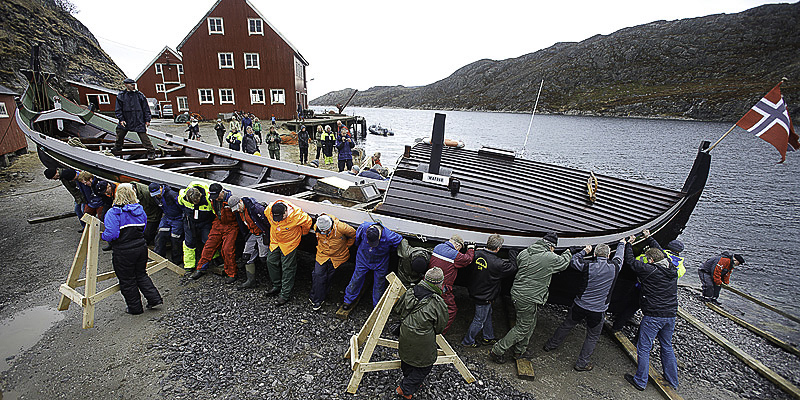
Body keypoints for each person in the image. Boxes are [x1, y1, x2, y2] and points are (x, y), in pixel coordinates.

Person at [542, 240, 625, 371]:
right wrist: (622, 243)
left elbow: (573, 261)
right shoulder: (615, 268)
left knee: (567, 325)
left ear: (595, 255)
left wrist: (584, 251)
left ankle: (550, 345)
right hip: (598, 310)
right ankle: (582, 363)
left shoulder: (588, 266)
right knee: (592, 336)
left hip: (580, 305)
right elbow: (620, 256)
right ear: (608, 256)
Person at [490, 232, 571, 363]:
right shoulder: (550, 257)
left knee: (530, 323)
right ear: (551, 247)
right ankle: (497, 350)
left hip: (518, 293)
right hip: (529, 297)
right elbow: (563, 263)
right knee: (522, 328)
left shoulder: (524, 253)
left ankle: (520, 350)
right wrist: (569, 251)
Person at [623, 231, 679, 391]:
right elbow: (660, 250)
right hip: (670, 315)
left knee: (644, 348)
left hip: (654, 315)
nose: (647, 261)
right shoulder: (671, 267)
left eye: (649, 259)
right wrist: (649, 238)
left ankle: (640, 381)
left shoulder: (650, 270)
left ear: (652, 260)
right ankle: (672, 381)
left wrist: (628, 243)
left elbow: (630, 261)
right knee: (667, 346)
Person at [101, 183, 162, 314]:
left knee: (127, 280)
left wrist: (103, 236)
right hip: (140, 247)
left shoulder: (113, 213)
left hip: (123, 251)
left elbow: (111, 234)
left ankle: (135, 308)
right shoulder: (139, 209)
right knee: (141, 274)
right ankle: (154, 298)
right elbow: (144, 227)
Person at [392, 267, 448, 400]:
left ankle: (410, 382)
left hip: (405, 332)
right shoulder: (437, 302)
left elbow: (398, 309)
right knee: (424, 366)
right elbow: (440, 328)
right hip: (423, 339)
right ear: (439, 283)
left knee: (407, 359)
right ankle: (405, 389)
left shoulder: (411, 291)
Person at [462, 234, 518, 348]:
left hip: (476, 290)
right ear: (498, 248)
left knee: (487, 314)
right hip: (485, 296)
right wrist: (513, 250)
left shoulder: (476, 255)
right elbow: (513, 267)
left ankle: (488, 337)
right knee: (479, 320)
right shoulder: (498, 263)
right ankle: (468, 341)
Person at [343, 222, 404, 309]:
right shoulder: (363, 227)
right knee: (356, 279)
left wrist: (389, 252)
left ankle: (377, 305)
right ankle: (348, 300)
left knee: (379, 283)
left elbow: (398, 243)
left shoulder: (390, 236)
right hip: (363, 258)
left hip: (380, 262)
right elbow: (357, 239)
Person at [265, 200, 312, 305]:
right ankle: (276, 285)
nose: (278, 220)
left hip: (290, 244)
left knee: (288, 268)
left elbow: (307, 223)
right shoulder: (269, 210)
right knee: (270, 261)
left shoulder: (298, 216)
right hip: (275, 241)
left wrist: (302, 234)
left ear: (286, 212)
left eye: (281, 217)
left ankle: (285, 294)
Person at [190, 184, 240, 283]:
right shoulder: (213, 199)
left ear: (222, 192)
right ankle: (201, 268)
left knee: (227, 249)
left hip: (231, 226)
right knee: (209, 245)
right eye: (214, 196)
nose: (216, 198)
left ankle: (231, 273)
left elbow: (238, 217)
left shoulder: (230, 200)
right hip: (219, 223)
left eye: (217, 196)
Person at [429, 234, 475, 334]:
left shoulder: (438, 247)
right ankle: (439, 334)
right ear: (457, 246)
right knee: (451, 310)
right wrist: (471, 249)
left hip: (428, 283)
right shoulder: (454, 254)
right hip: (442, 288)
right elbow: (468, 259)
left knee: (429, 305)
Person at [310, 214, 356, 310]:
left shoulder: (342, 228)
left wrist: (346, 247)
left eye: (325, 231)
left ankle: (320, 296)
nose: (323, 232)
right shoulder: (317, 226)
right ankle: (317, 299)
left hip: (337, 257)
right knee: (318, 275)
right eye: (321, 231)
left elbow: (353, 235)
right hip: (322, 255)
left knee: (328, 277)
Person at [229, 195, 271, 290]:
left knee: (265, 258)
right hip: (252, 234)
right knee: (246, 257)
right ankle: (250, 281)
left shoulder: (256, 208)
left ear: (240, 202)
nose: (238, 210)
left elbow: (268, 223)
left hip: (262, 234)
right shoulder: (239, 212)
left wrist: (268, 236)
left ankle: (273, 281)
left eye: (237, 207)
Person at [177, 181, 215, 272]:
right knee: (189, 242)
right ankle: (189, 265)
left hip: (205, 221)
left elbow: (215, 213)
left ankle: (214, 258)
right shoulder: (183, 197)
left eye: (196, 202)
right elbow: (179, 202)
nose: (194, 204)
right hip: (190, 221)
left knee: (208, 240)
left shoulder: (208, 199)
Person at [114, 78, 156, 160]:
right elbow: (118, 109)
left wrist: (147, 120)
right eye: (131, 84)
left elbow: (146, 109)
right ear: (126, 85)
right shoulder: (121, 96)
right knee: (120, 134)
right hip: (126, 120)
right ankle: (118, 148)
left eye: (134, 84)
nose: (133, 86)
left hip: (138, 120)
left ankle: (151, 152)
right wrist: (121, 119)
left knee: (144, 138)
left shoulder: (140, 95)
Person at [149, 183, 184, 266]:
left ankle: (176, 260)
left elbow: (182, 206)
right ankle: (158, 257)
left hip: (178, 218)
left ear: (161, 188)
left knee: (175, 239)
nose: (157, 195)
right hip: (167, 217)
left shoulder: (172, 194)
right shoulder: (155, 197)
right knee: (161, 235)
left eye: (158, 193)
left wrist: (183, 218)